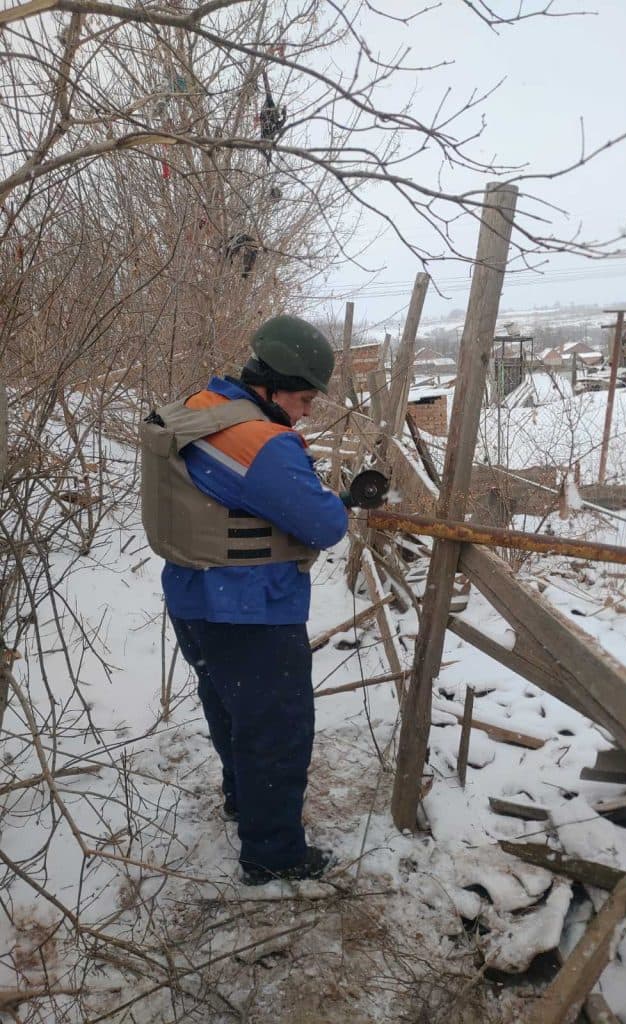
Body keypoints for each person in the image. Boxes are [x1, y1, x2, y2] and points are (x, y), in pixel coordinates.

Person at [141, 315, 349, 885]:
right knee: (277, 730)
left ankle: (243, 800)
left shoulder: (199, 407)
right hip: (251, 609)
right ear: (273, 387)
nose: (307, 412)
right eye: (304, 399)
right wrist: (337, 499)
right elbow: (325, 524)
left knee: (230, 708)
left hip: (191, 599)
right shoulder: (263, 444)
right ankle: (273, 854)